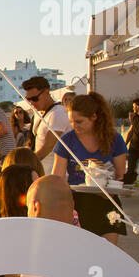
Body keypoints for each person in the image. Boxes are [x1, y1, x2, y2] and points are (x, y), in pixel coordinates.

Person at [51, 93, 127, 244]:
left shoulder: (114, 139)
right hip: (78, 203)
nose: (74, 126)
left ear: (94, 117)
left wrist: (110, 191)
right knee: (81, 249)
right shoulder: (66, 141)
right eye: (71, 121)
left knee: (109, 251)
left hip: (107, 200)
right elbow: (57, 178)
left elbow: (120, 174)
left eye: (79, 121)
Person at [23, 75, 72, 165]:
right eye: (28, 99)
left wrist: (26, 165)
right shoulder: (38, 114)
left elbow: (47, 147)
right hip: (42, 170)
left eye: (35, 98)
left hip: (56, 173)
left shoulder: (58, 113)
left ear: (46, 92)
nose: (32, 103)